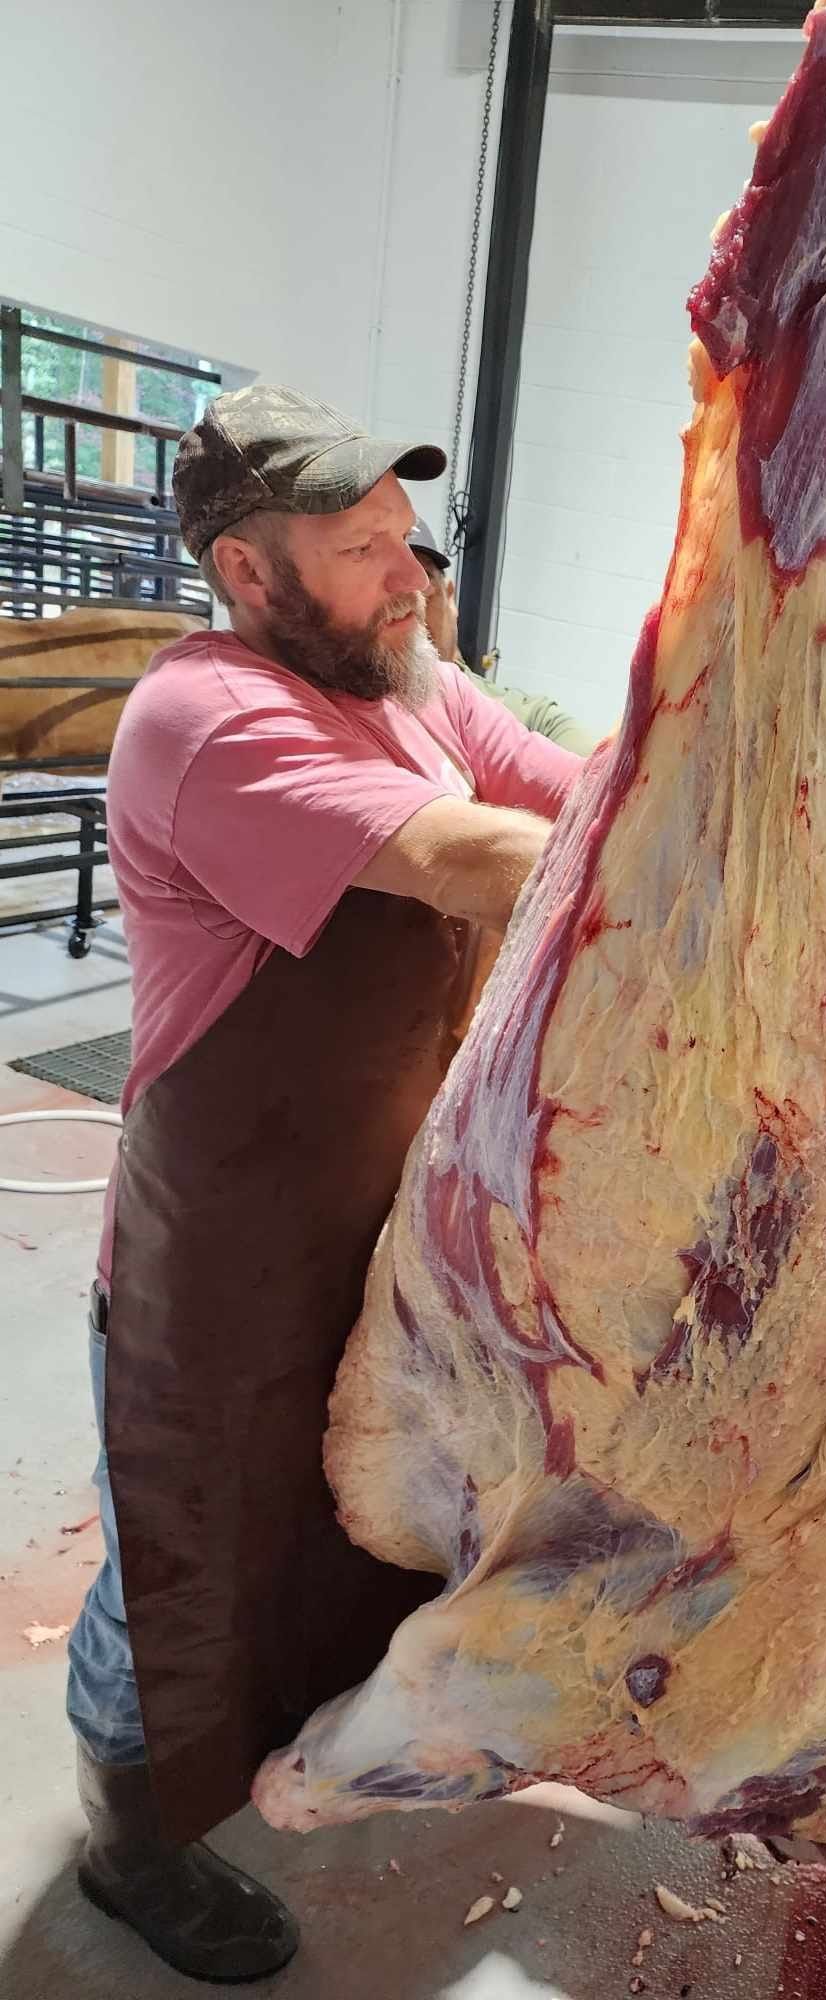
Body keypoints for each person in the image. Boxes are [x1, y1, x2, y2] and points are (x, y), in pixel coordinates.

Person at [65, 384, 582, 1983]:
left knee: (332, 1533)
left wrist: (740, 744)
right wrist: (705, 847)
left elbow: (570, 787)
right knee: (174, 1566)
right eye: (360, 549)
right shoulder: (206, 716)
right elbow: (472, 858)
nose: (407, 573)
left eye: (406, 540)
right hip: (220, 1259)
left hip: (372, 1238)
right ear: (248, 570)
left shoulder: (404, 678)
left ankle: (288, 1750)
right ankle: (128, 1845)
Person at [405, 514, 597, 756]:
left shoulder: (531, 718)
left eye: (424, 584)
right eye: (392, 588)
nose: (410, 605)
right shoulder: (358, 727)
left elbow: (593, 773)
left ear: (450, 597)